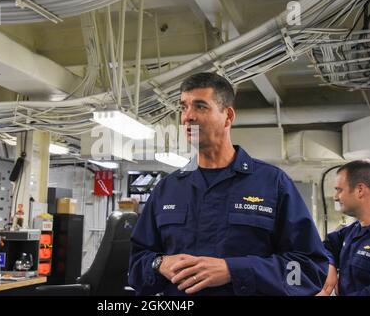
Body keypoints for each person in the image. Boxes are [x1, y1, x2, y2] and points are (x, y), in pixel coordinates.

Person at [128, 72, 328, 296]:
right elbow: (136, 266)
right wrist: (158, 264)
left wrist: (234, 270)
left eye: (200, 106)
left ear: (228, 116)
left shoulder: (272, 184)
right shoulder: (167, 189)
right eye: (183, 107)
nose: (187, 117)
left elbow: (310, 270)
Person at [317, 160, 370, 296]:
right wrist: (330, 265)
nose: (335, 197)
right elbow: (327, 245)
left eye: (339, 190)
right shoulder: (354, 230)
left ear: (360, 190)